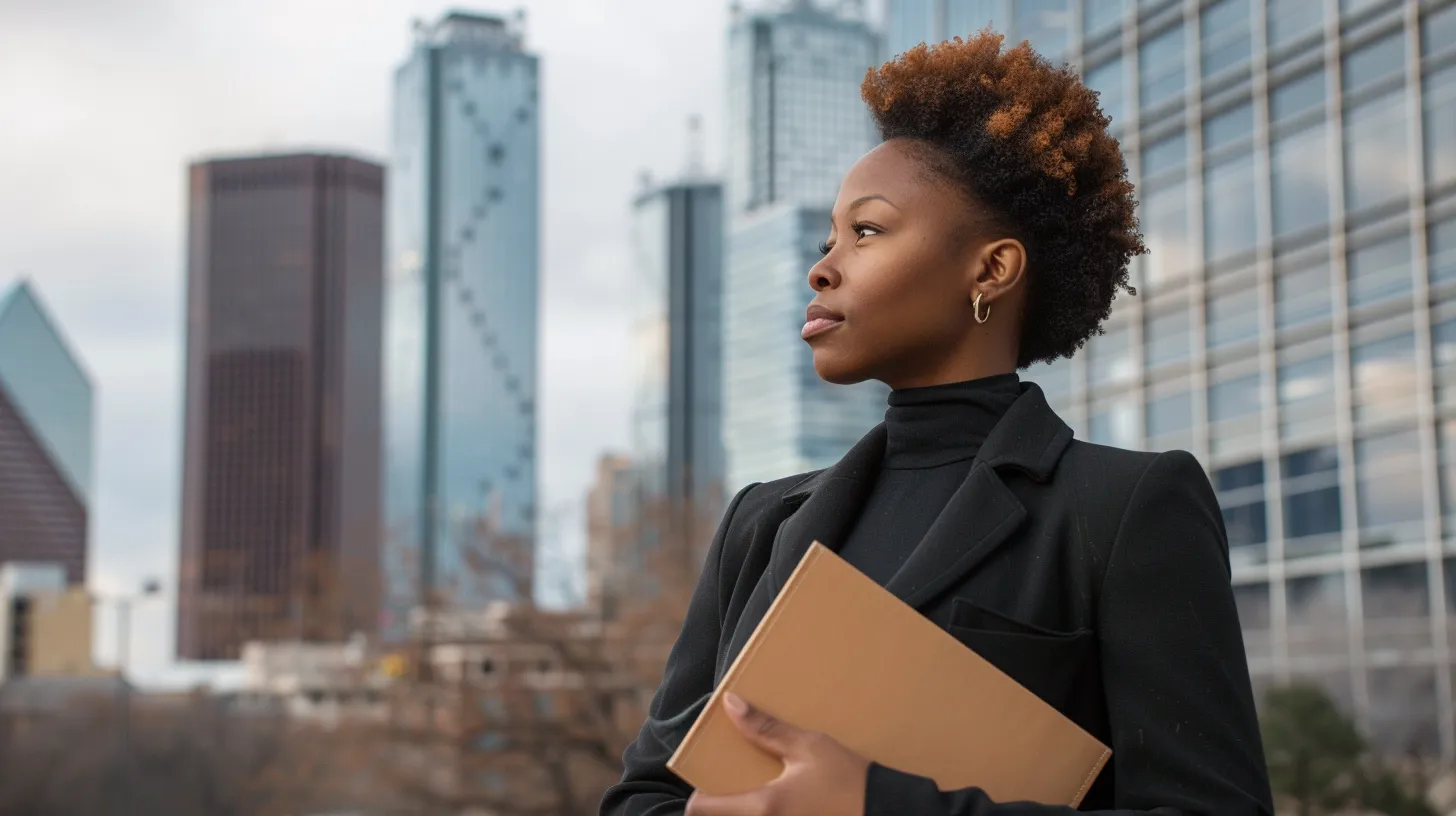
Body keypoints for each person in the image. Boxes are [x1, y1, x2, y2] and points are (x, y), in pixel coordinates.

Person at [601, 30, 1274, 816]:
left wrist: (871, 805)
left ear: (990, 270)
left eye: (867, 231)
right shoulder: (760, 522)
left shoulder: (1126, 509)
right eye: (827, 239)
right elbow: (640, 797)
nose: (821, 266)